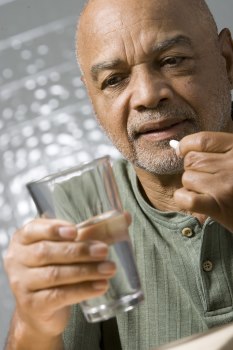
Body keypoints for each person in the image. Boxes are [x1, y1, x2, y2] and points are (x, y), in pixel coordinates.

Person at [4, 0, 233, 349]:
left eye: (172, 60)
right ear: (92, 98)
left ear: (228, 61)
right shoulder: (81, 210)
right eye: (113, 80)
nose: (147, 95)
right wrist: (34, 324)